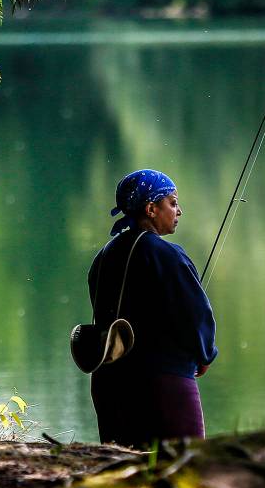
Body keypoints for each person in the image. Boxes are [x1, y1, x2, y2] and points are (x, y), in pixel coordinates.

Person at [87, 169, 218, 447]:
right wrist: (205, 355)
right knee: (183, 467)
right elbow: (195, 314)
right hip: (163, 384)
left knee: (124, 469)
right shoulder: (167, 255)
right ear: (151, 208)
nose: (179, 211)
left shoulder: (104, 256)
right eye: (172, 202)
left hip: (109, 382)